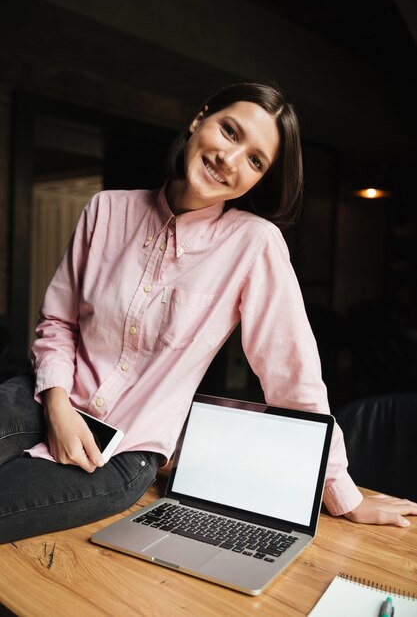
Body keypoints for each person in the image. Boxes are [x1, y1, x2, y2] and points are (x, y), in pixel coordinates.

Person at [1, 82, 416, 544]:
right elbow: (59, 323)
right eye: (230, 131)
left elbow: (294, 381)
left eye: (256, 160)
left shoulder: (253, 245)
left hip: (126, 451)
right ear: (200, 120)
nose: (231, 159)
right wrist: (57, 404)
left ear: (259, 179)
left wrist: (344, 494)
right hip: (40, 401)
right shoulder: (105, 209)